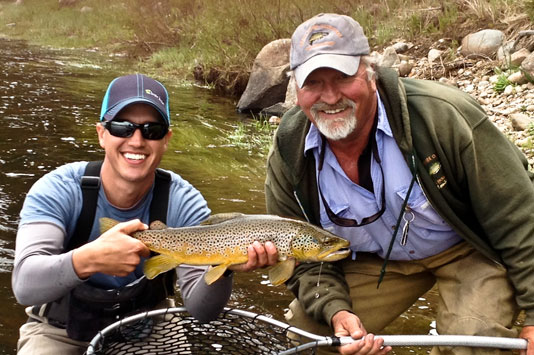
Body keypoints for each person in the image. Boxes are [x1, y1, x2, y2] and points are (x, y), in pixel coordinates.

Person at [265, 13, 534, 355]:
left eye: (343, 77)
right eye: (314, 83)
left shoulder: (443, 116)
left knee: (471, 339)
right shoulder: (290, 151)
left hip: (469, 248)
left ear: (371, 75)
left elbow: (520, 215)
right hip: (377, 260)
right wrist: (338, 311)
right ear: (297, 90)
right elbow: (305, 260)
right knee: (310, 333)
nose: (330, 97)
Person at [12, 73, 278, 355]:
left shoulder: (183, 201)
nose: (137, 140)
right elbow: (25, 286)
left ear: (166, 139)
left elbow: (202, 311)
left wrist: (224, 269)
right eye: (122, 127)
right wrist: (87, 259)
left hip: (150, 326)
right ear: (102, 134)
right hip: (59, 330)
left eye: (152, 129)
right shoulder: (59, 189)